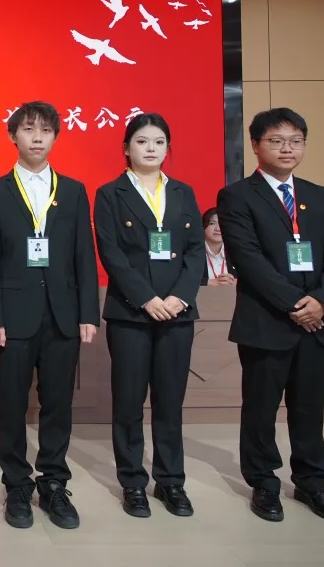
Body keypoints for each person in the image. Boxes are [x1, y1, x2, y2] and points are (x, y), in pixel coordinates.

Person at [217, 108, 324, 524]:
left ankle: (312, 482)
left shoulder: (318, 194)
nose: (287, 148)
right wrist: (296, 305)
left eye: (296, 140)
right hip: (267, 321)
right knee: (261, 408)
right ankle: (264, 483)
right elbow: (248, 260)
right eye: (276, 141)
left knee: (309, 407)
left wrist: (321, 302)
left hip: (319, 321)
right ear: (256, 145)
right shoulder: (237, 196)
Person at [0, 102, 100, 530]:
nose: (37, 137)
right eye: (28, 129)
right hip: (13, 317)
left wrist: (88, 312)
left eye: (45, 130)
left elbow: (84, 255)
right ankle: (16, 485)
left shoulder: (73, 191)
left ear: (55, 137)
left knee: (58, 403)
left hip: (63, 315)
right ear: (13, 136)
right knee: (12, 403)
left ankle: (53, 483)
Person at [93, 113, 204, 519]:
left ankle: (171, 481)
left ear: (168, 148)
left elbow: (195, 251)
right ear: (127, 148)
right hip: (130, 314)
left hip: (177, 313)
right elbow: (111, 253)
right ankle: (133, 483)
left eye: (159, 142)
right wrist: (146, 299)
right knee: (128, 402)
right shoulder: (110, 193)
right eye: (142, 141)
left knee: (170, 401)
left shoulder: (183, 192)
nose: (151, 148)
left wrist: (179, 297)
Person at [202, 207, 235, 286]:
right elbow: (182, 279)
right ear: (203, 226)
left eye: (222, 223)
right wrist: (208, 282)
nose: (218, 228)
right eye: (212, 223)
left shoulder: (236, 252)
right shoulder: (192, 252)